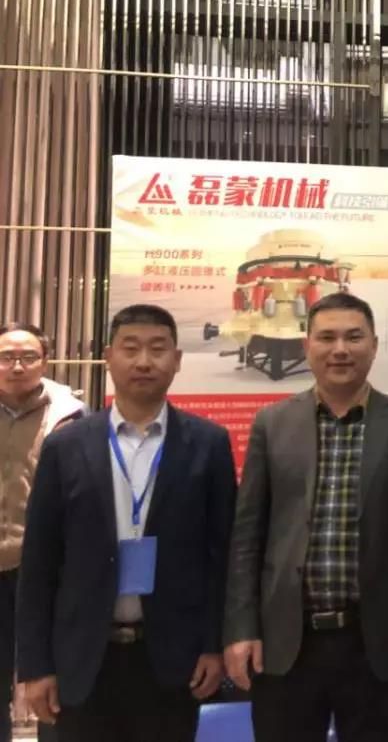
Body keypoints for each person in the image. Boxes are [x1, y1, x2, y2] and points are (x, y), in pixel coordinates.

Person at [16, 304, 237, 742]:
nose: (144, 361)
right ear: (108, 357)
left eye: (158, 349)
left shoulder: (208, 443)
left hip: (173, 658)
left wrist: (214, 645)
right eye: (130, 348)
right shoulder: (66, 445)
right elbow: (40, 562)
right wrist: (36, 666)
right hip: (81, 658)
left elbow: (221, 556)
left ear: (177, 360)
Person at [224, 292, 388, 742]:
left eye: (353, 337)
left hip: (373, 640)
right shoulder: (272, 424)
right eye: (327, 338)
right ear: (307, 347)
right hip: (286, 640)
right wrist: (242, 628)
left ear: (374, 345)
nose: (340, 349)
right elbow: (247, 538)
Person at [0, 324, 86, 742]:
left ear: (46, 361)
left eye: (28, 357)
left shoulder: (72, 416)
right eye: (6, 357)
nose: (17, 366)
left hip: (46, 567)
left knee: (50, 678)